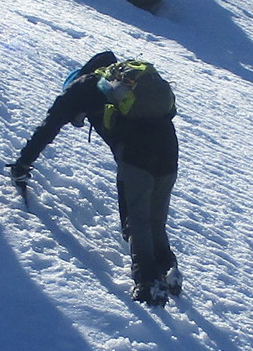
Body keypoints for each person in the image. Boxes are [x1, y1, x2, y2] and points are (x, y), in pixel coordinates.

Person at [9, 50, 183, 304]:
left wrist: (22, 164)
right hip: (169, 149)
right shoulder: (130, 83)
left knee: (136, 219)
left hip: (136, 154)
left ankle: (148, 283)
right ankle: (168, 268)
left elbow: (48, 127)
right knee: (156, 216)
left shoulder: (81, 88)